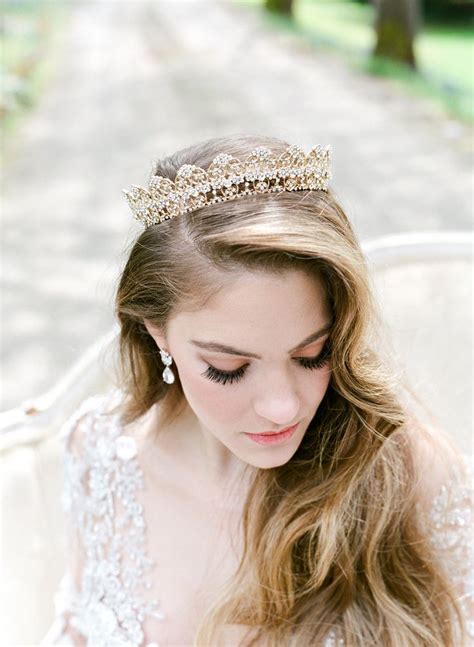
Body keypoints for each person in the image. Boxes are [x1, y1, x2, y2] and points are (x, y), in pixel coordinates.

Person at [41, 134, 472, 647]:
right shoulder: (97, 455)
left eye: (312, 354)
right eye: (228, 368)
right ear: (159, 333)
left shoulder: (411, 474)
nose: (282, 406)